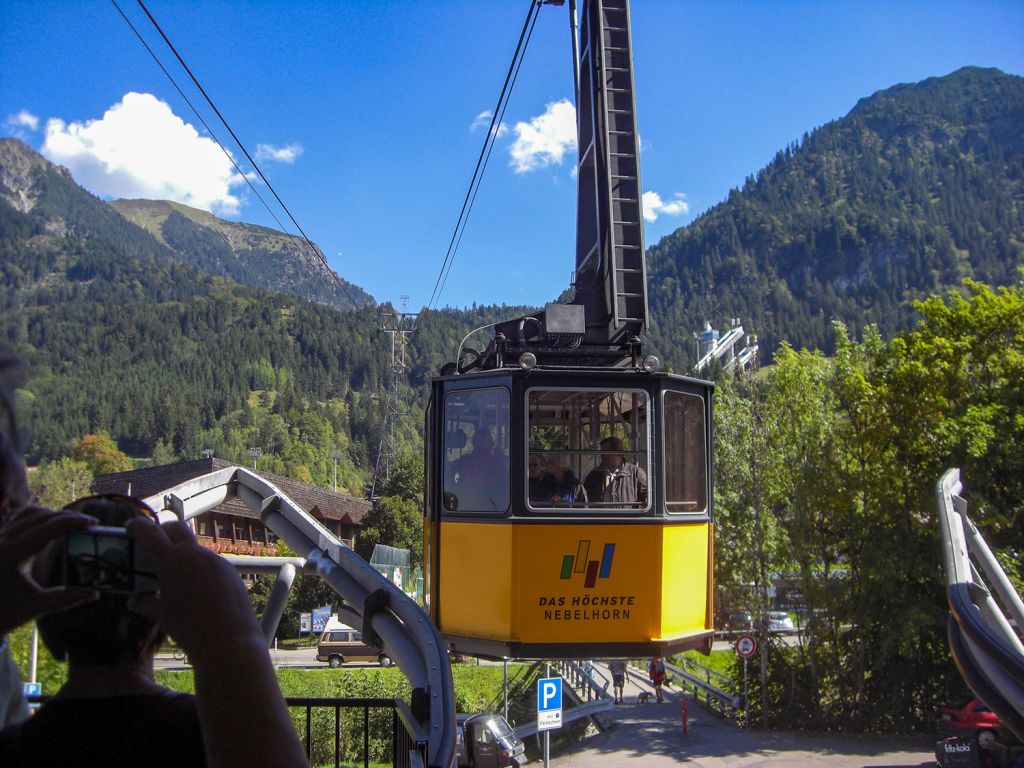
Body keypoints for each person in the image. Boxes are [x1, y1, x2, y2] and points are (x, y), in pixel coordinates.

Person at [0, 494, 309, 768]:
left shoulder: (14, 746)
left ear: (46, 609)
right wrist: (231, 640)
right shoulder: (211, 733)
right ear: (160, 602)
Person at [451, 428, 508, 511]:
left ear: (474, 443)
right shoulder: (498, 461)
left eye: (484, 440)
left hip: (468, 508)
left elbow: (449, 468)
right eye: (482, 440)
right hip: (493, 509)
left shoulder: (466, 460)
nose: (482, 443)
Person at [583, 436, 648, 507]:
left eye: (605, 452)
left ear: (617, 452)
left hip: (627, 517)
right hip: (600, 517)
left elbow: (646, 499)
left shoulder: (636, 474)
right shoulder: (594, 475)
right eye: (601, 452)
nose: (602, 455)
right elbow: (585, 498)